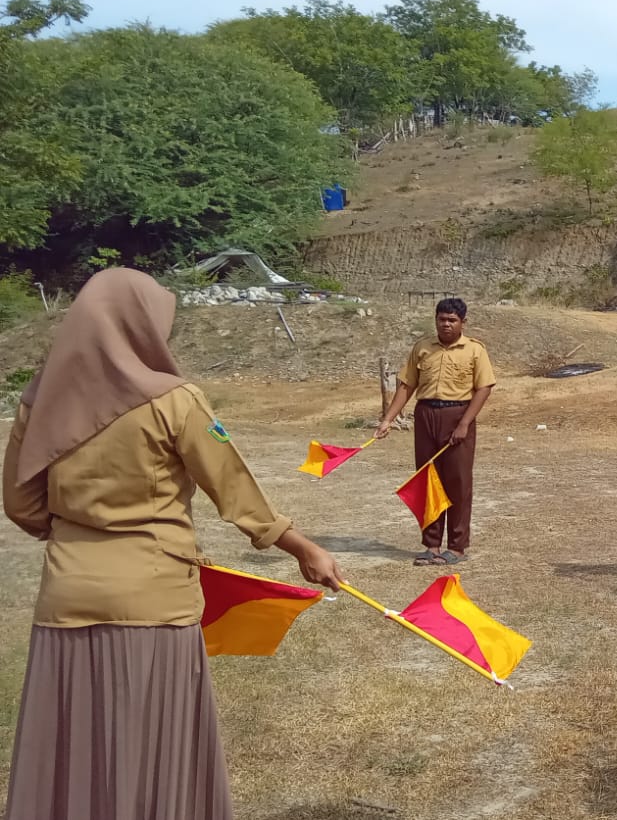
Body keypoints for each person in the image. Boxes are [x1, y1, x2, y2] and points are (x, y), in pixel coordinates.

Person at [1, 268, 345, 820]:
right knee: (152, 751)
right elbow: (233, 489)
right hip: (155, 601)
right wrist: (302, 548)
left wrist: (76, 535)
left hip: (66, 598)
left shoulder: (40, 400)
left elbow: (20, 502)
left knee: (76, 750)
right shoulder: (176, 400)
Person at [377, 297, 496, 566]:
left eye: (452, 320)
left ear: (463, 323)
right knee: (427, 480)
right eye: (441, 319)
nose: (446, 325)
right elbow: (406, 386)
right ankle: (431, 544)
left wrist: (464, 423)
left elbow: (484, 388)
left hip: (457, 414)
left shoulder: (475, 351)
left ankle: (456, 546)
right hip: (426, 415)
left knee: (458, 483)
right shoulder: (422, 348)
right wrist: (388, 420)